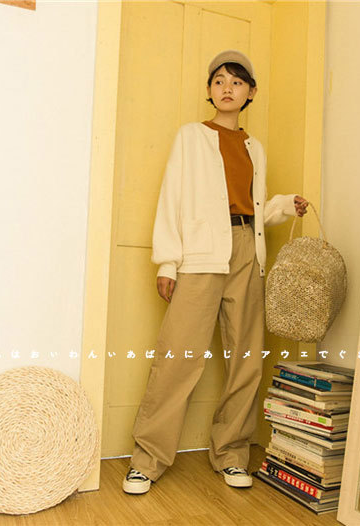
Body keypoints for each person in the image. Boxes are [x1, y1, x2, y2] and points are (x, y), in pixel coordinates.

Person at [122, 50, 309, 495]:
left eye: (237, 82)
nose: (228, 88)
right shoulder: (191, 137)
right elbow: (173, 196)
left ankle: (232, 454)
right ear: (209, 89)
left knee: (246, 361)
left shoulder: (254, 148)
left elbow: (254, 207)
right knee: (177, 357)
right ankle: (147, 460)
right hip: (201, 253)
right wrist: (168, 261)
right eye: (220, 80)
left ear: (251, 93)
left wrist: (285, 206)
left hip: (247, 250)